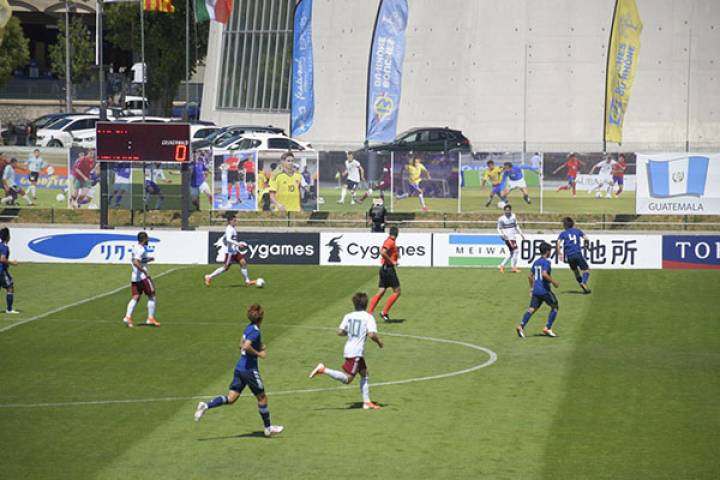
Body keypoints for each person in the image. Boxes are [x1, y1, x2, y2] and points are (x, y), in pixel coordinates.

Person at [194, 304, 284, 437]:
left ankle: (206, 406)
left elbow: (240, 344)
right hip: (249, 370)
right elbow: (246, 346)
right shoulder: (255, 331)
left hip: (240, 368)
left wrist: (259, 345)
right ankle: (268, 428)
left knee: (231, 398)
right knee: (262, 398)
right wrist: (259, 353)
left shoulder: (249, 328)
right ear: (262, 317)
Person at [308, 292, 384, 410]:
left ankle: (367, 402)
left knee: (364, 373)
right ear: (366, 304)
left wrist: (351, 333)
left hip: (349, 348)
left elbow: (339, 332)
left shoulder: (348, 316)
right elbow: (371, 334)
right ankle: (323, 369)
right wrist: (379, 342)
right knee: (348, 379)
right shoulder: (368, 317)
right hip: (356, 351)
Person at [516, 242, 560, 338]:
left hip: (536, 290)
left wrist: (531, 288)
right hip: (544, 290)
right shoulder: (546, 262)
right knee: (555, 306)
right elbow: (544, 274)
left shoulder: (536, 262)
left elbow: (529, 276)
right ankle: (548, 328)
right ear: (547, 251)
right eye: (550, 251)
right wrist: (554, 282)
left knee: (532, 309)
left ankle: (521, 326)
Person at [204, 215, 257, 286]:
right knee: (225, 268)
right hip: (230, 252)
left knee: (243, 263)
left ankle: (247, 281)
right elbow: (228, 239)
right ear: (230, 221)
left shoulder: (232, 229)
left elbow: (228, 238)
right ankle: (209, 276)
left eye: (236, 220)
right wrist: (238, 244)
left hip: (235, 251)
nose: (235, 222)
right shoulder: (229, 229)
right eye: (234, 221)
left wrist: (238, 244)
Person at [122, 231, 160, 328]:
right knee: (152, 296)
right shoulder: (141, 249)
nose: (148, 240)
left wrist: (147, 259)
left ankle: (128, 316)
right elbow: (136, 262)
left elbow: (138, 260)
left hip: (135, 277)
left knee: (136, 296)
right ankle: (150, 318)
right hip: (142, 277)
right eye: (147, 239)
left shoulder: (135, 247)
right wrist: (143, 271)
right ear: (144, 239)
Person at [368, 226, 401, 322]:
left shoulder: (389, 241)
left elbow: (383, 250)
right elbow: (382, 252)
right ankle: (384, 312)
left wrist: (396, 254)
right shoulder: (390, 242)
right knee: (397, 291)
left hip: (384, 268)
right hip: (389, 269)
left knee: (381, 290)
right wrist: (392, 261)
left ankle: (370, 313)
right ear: (397, 233)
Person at [556, 217, 591, 294]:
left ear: (565, 225)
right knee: (586, 269)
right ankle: (583, 282)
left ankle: (583, 287)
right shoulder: (577, 231)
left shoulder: (563, 233)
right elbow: (586, 238)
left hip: (569, 256)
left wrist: (560, 253)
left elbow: (558, 243)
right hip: (577, 253)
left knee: (575, 271)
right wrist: (586, 245)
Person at [497, 204, 525, 273]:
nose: (507, 212)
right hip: (508, 238)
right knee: (516, 251)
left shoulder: (513, 216)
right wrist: (501, 235)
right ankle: (513, 267)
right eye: (506, 211)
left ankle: (502, 266)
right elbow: (499, 228)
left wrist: (521, 233)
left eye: (508, 210)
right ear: (504, 211)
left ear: (510, 210)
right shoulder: (501, 219)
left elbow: (516, 225)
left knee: (512, 252)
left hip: (513, 237)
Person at [0, 227, 19, 314]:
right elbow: (2, 259)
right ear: (7, 237)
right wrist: (12, 263)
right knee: (10, 287)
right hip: (1, 271)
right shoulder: (4, 247)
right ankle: (9, 309)